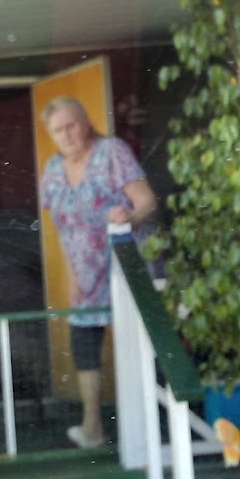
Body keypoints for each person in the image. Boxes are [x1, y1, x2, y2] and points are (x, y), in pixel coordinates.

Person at [40, 96, 157, 449]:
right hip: (86, 272)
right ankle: (92, 427)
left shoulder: (111, 152)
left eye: (71, 125)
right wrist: (72, 274)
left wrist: (129, 218)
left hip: (126, 263)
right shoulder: (52, 170)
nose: (66, 135)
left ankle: (147, 429)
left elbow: (147, 202)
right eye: (57, 130)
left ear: (86, 123)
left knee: (137, 344)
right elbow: (63, 228)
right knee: (84, 342)